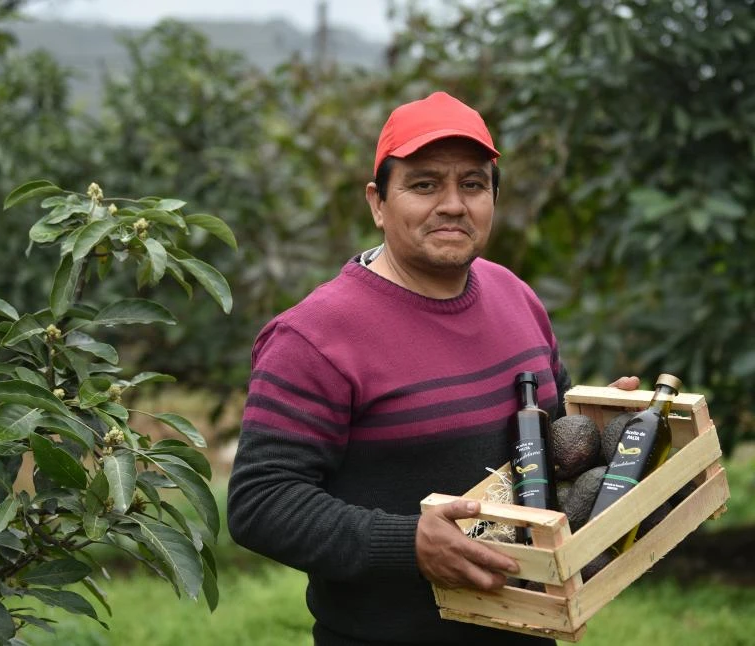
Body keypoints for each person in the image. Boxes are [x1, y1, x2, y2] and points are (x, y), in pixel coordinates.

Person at [226, 91, 638, 646]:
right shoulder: (314, 337)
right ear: (378, 202)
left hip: (532, 629)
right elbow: (261, 502)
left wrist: (598, 430)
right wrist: (409, 544)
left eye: (472, 184)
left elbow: (548, 434)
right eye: (424, 184)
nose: (453, 204)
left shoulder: (515, 296)